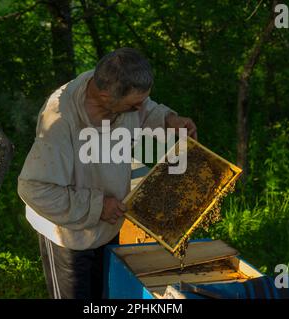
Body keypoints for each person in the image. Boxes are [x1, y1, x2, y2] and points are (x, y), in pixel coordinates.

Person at [17, 47, 197, 299]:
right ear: (104, 96)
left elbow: (145, 108)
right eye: (132, 105)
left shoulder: (115, 86)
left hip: (110, 225)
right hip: (69, 236)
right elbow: (33, 187)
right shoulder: (60, 122)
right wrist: (97, 206)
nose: (138, 109)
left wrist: (168, 120)